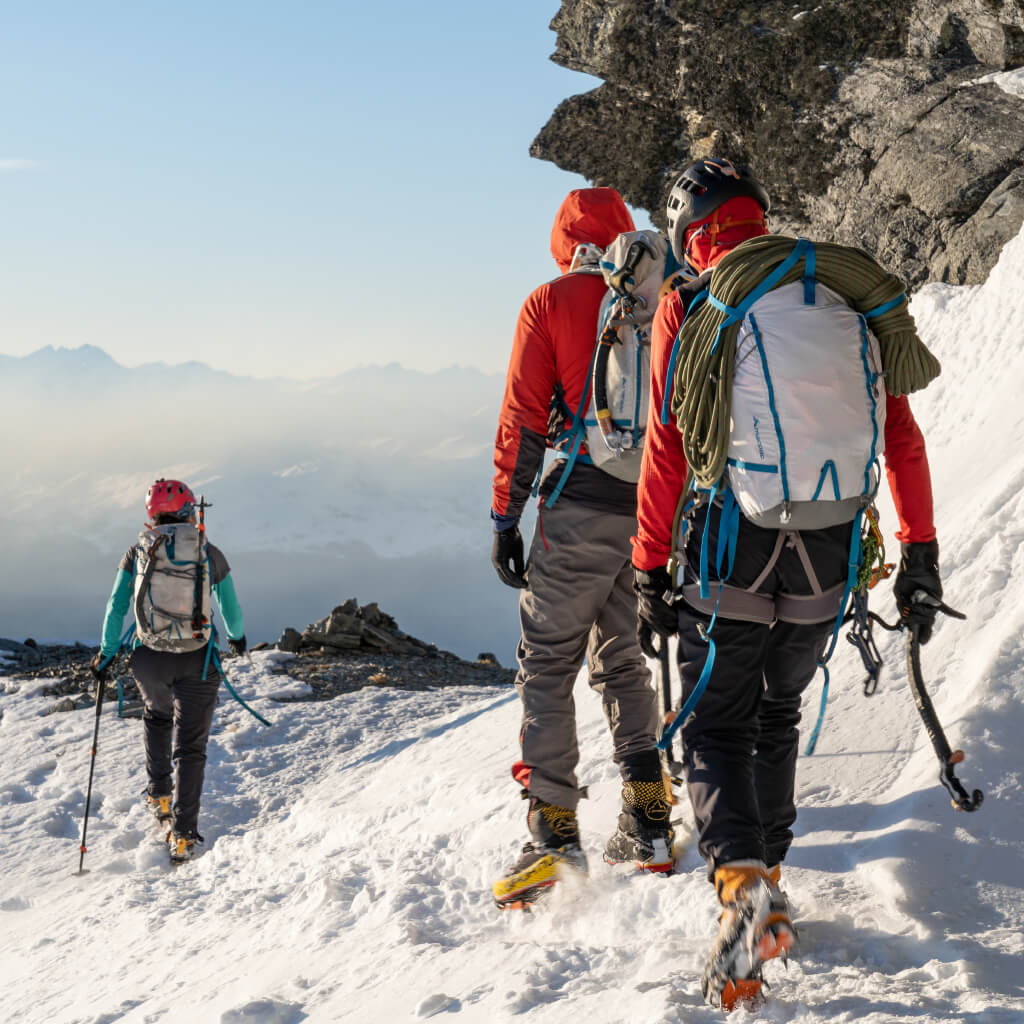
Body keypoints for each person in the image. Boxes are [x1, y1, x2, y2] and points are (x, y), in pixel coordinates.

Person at [632, 159, 942, 1006]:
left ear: (688, 230)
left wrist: (649, 563)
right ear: (756, 218)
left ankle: (740, 891)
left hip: (734, 545)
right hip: (832, 546)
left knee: (715, 723)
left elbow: (667, 446)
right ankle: (770, 881)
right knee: (776, 711)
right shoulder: (840, 300)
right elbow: (902, 438)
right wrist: (919, 550)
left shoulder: (695, 303)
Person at [489, 187, 673, 910]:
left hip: (574, 510)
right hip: (649, 513)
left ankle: (555, 834)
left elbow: (523, 419)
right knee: (622, 656)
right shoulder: (663, 301)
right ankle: (650, 818)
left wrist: (505, 517)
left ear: (565, 240)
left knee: (548, 664)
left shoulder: (552, 301)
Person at [92, 478, 246, 864]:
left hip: (150, 659)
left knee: (157, 715)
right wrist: (238, 639)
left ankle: (159, 794)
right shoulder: (208, 552)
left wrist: (106, 655)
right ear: (189, 510)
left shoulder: (138, 553)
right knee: (191, 748)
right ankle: (182, 836)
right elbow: (230, 606)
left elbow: (116, 606)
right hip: (197, 658)